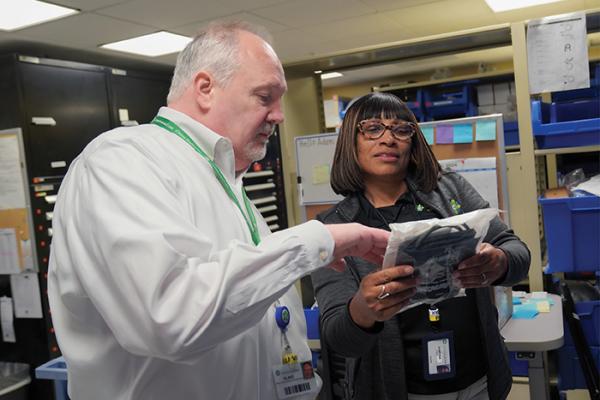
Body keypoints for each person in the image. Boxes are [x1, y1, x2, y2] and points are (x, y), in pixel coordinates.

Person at [47, 21, 392, 400]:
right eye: (265, 97)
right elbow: (170, 317)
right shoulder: (121, 161)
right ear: (205, 88)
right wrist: (313, 242)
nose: (279, 115)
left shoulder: (225, 183)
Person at [311, 92, 531, 400]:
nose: (389, 139)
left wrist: (500, 261)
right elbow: (339, 338)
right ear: (351, 140)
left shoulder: (450, 189)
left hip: (480, 381)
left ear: (413, 141)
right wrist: (364, 308)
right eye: (373, 128)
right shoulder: (333, 228)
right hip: (401, 391)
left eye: (401, 129)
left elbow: (518, 252)